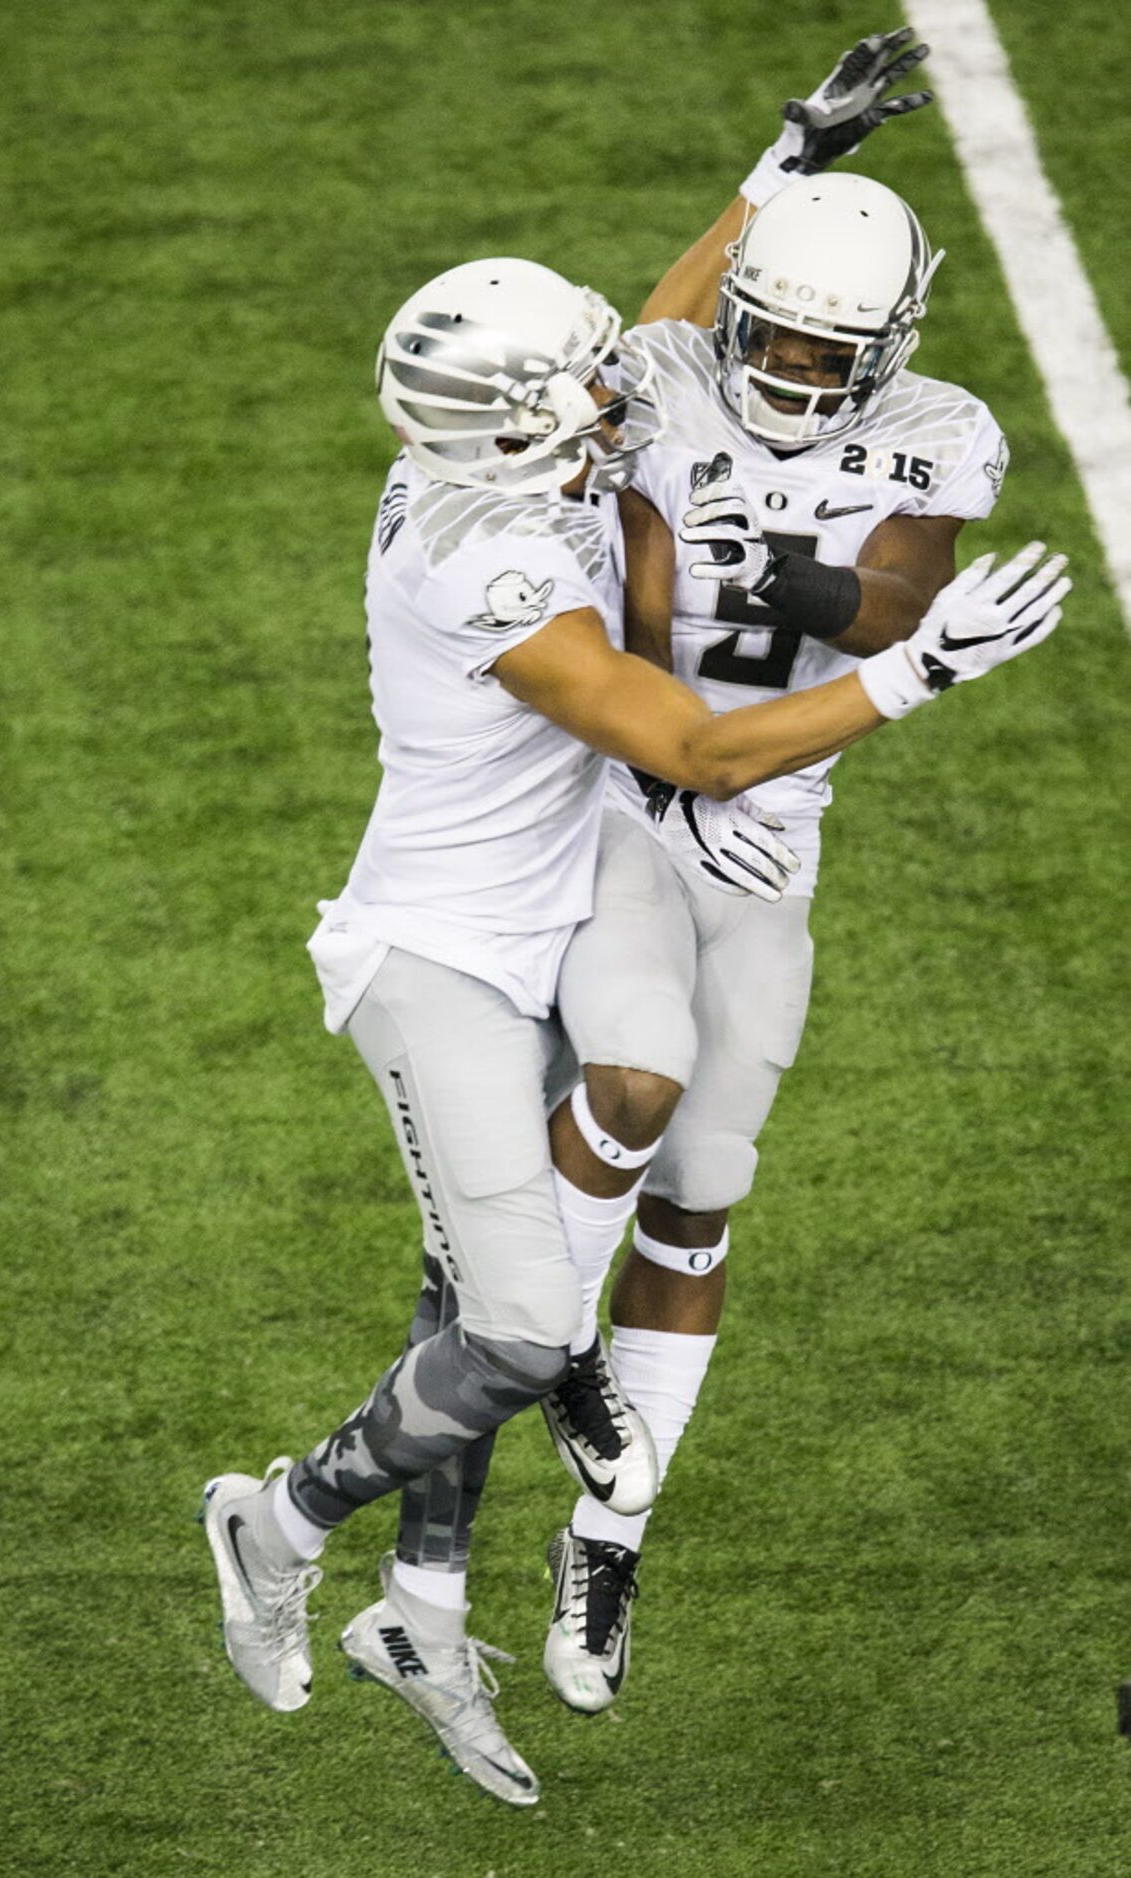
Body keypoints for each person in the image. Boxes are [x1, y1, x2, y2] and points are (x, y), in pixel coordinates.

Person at [200, 244, 1066, 1804]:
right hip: (451, 954)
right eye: (578, 387)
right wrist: (915, 670)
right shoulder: (491, 562)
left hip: (564, 901)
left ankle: (426, 1617)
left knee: (556, 1194)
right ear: (519, 430)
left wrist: (773, 175)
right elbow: (693, 749)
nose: (622, 389)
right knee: (516, 1323)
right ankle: (277, 1522)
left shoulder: (520, 455)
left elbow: (658, 334)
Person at [535, 32, 1038, 1714]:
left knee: (705, 1180)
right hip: (622, 794)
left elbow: (900, 605)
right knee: (625, 1074)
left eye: (839, 353)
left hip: (771, 830)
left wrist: (815, 600)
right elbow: (649, 365)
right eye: (779, 331)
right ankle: (534, 1337)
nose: (800, 373)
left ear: (893, 346)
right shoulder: (675, 372)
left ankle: (611, 1528)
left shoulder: (942, 431)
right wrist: (776, 168)